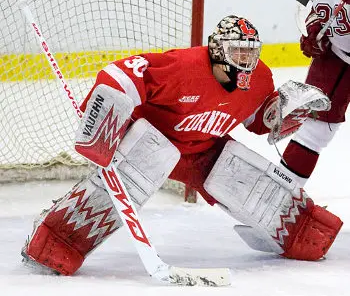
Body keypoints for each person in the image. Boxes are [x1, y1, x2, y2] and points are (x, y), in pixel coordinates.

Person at [21, 15, 342, 276]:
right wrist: (104, 122)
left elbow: (256, 121)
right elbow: (120, 74)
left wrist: (280, 115)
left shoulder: (259, 78)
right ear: (217, 51)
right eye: (237, 54)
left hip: (202, 152)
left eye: (251, 53)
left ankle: (301, 231)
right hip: (151, 141)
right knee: (149, 160)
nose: (247, 63)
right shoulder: (184, 68)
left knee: (237, 171)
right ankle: (57, 238)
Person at [280, 0, 350, 186]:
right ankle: (284, 192)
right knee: (314, 128)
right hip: (338, 54)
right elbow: (315, 2)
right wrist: (313, 33)